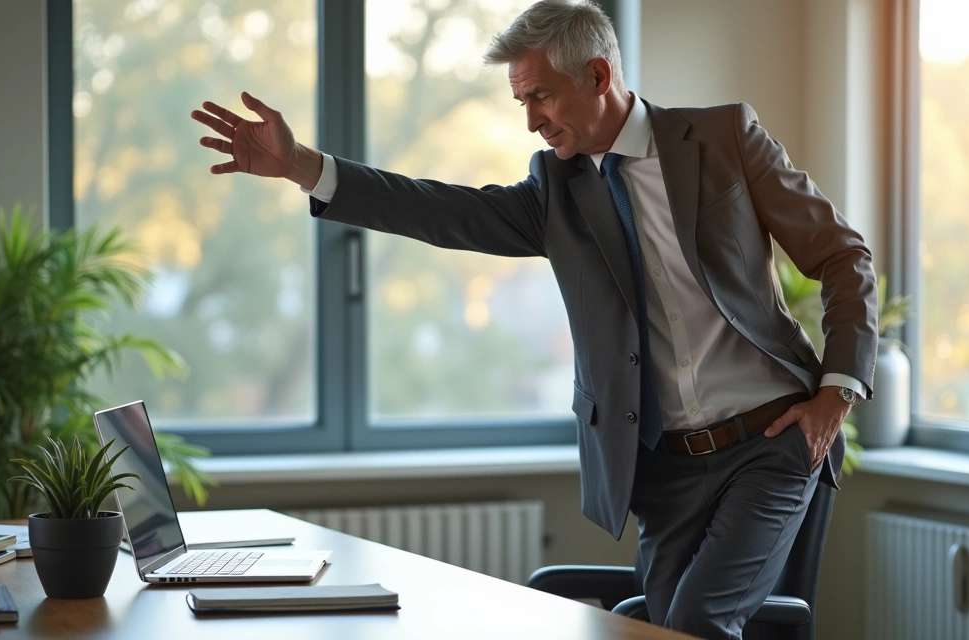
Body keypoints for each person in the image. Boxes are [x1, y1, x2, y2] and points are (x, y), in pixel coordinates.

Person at [191, 1, 876, 637]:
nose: (531, 120)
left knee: (696, 625)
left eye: (540, 96)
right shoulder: (556, 189)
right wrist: (303, 167)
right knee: (660, 631)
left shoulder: (724, 137)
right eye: (522, 101)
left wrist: (834, 396)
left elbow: (844, 258)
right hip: (665, 472)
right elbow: (439, 210)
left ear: (599, 74)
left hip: (770, 442)